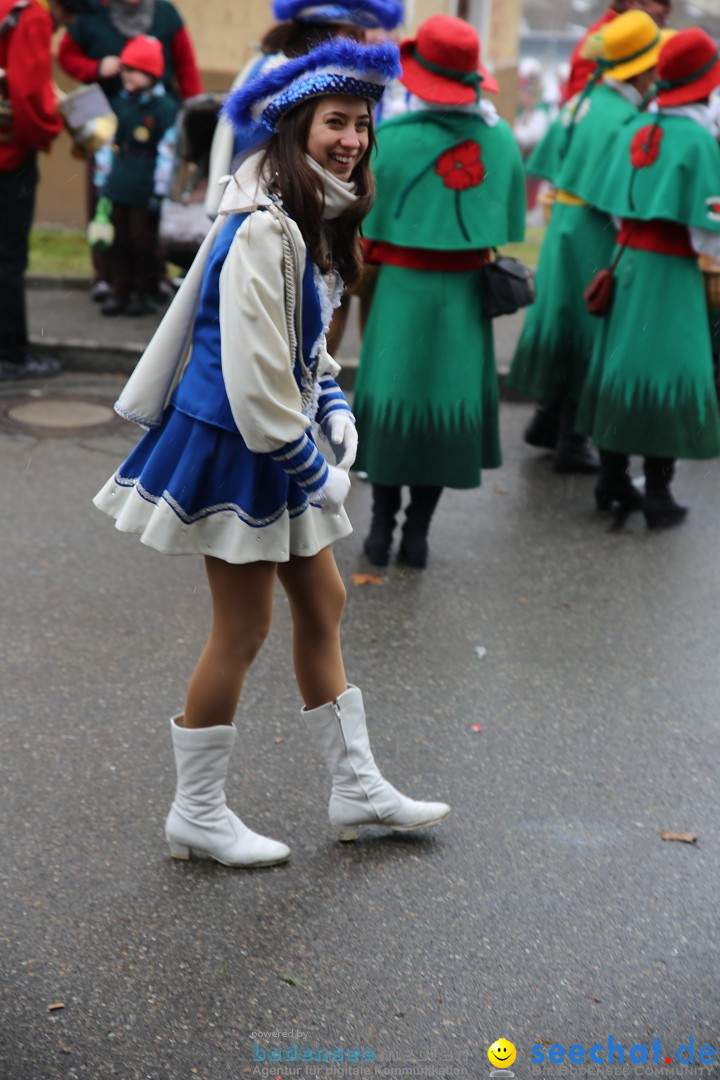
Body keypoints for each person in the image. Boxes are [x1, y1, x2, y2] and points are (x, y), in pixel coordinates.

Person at [93, 37, 450, 867]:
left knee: (323, 603)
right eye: (336, 122)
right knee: (243, 627)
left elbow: (301, 346)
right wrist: (317, 470)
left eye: (363, 124)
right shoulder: (263, 226)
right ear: (296, 127)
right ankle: (197, 813)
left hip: (275, 438)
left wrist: (332, 399)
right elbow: (256, 388)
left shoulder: (308, 211)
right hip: (239, 446)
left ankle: (356, 789)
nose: (353, 139)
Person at [351, 14, 526, 569]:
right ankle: (418, 536)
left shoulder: (391, 138)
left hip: (400, 292)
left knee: (393, 401)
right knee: (445, 407)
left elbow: (362, 225)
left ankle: (380, 530)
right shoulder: (498, 139)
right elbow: (508, 223)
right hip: (466, 295)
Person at [506, 12, 668, 475]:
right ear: (638, 69)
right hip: (596, 226)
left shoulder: (585, 100)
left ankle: (547, 420)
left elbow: (556, 157)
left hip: (567, 223)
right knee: (591, 326)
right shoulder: (626, 118)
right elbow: (627, 190)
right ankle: (571, 439)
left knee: (564, 318)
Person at [575, 26, 720, 526]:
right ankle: (658, 492)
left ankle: (610, 477)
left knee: (621, 367)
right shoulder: (700, 142)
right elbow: (708, 234)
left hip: (626, 263)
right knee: (670, 371)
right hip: (672, 274)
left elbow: (616, 210)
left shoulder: (637, 128)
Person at [57, 0, 202, 303]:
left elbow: (185, 65)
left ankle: (153, 279)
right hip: (106, 120)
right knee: (105, 205)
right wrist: (96, 68)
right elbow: (66, 56)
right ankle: (106, 277)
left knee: (149, 217)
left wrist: (196, 119)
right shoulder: (92, 11)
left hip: (155, 127)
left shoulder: (165, 13)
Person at [205, 0, 404, 219]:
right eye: (351, 35)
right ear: (320, 32)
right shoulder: (284, 75)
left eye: (360, 125)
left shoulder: (284, 67)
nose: (359, 45)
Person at [0, 0, 90, 382]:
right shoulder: (33, 15)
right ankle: (11, 354)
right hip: (9, 158)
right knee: (7, 257)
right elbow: (27, 94)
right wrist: (49, 130)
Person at [98, 34, 178, 316]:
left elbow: (168, 151)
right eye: (124, 70)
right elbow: (107, 143)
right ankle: (120, 290)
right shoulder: (120, 104)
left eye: (133, 71)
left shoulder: (164, 108)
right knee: (118, 240)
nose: (126, 77)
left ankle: (143, 292)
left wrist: (160, 188)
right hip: (119, 182)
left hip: (145, 188)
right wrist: (102, 178)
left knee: (141, 242)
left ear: (151, 74)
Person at [561, 0, 671, 103]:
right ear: (631, 2)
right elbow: (584, 106)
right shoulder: (607, 40)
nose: (668, 8)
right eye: (661, 1)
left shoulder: (629, 37)